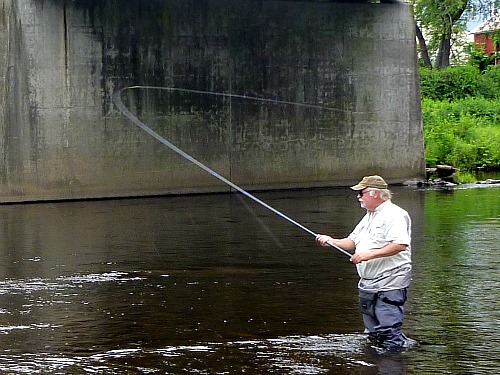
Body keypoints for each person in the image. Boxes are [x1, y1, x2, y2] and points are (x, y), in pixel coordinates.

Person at [316, 175, 413, 351]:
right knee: (373, 334)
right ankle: (376, 363)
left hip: (391, 280)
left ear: (375, 193)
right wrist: (332, 241)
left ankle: (392, 364)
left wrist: (367, 256)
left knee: (388, 330)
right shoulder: (369, 216)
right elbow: (352, 242)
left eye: (361, 192)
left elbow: (400, 245)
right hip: (368, 282)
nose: (358, 196)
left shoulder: (395, 215)